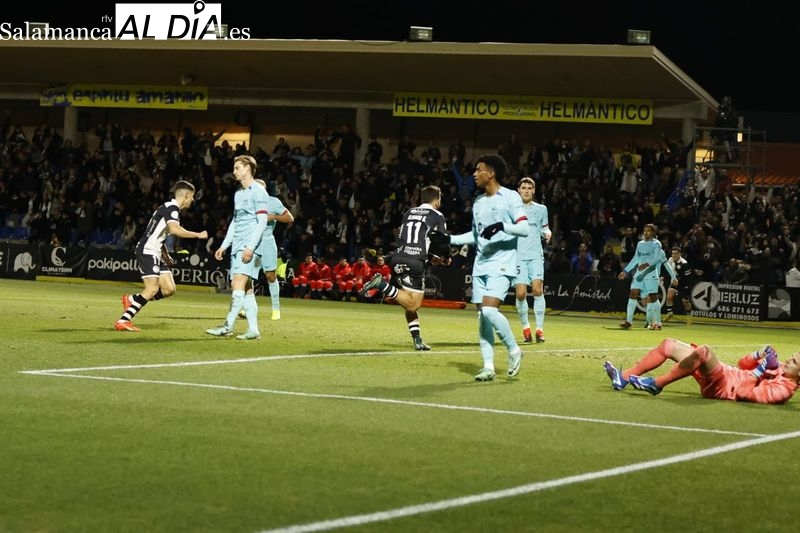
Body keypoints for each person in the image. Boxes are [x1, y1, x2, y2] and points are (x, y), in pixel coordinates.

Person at [426, 155, 529, 381]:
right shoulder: (479, 202)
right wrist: (449, 240)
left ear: (490, 173)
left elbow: (524, 229)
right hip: (480, 266)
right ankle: (489, 366)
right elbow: (475, 235)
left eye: (478, 170)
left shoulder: (511, 197)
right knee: (483, 316)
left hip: (502, 263)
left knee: (491, 311)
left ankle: (514, 349)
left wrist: (502, 226)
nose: (474, 174)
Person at [360, 185, 450, 351]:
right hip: (415, 261)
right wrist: (446, 257)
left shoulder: (409, 212)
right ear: (437, 199)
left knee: (407, 300)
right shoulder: (437, 215)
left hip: (398, 257)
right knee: (413, 305)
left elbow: (411, 239)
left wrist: (431, 258)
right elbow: (442, 241)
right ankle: (382, 285)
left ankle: (417, 339)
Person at [115, 180, 208, 331]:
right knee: (152, 289)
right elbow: (175, 230)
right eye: (192, 197)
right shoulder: (172, 209)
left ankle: (131, 299)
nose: (193, 200)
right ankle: (124, 320)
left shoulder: (167, 207)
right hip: (148, 251)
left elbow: (158, 233)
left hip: (156, 251)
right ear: (186, 195)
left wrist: (164, 253)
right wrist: (197, 235)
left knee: (169, 289)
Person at [603, 339, 800, 404]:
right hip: (725, 372)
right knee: (668, 345)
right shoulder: (782, 369)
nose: (789, 359)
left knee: (703, 352)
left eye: (795, 361)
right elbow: (742, 364)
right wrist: (760, 354)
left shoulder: (783, 390)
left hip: (724, 388)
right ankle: (624, 377)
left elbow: (743, 393)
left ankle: (657, 384)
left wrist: (762, 368)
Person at [205, 155, 271, 340]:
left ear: (247, 168)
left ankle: (227, 326)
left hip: (250, 246)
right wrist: (224, 245)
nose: (234, 171)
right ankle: (253, 330)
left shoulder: (259, 192)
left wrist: (250, 247)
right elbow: (235, 222)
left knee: (237, 284)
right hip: (237, 246)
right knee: (247, 289)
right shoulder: (238, 193)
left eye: (237, 168)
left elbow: (262, 222)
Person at [236, 178, 294, 321]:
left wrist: (273, 216)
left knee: (270, 276)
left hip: (267, 242)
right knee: (246, 276)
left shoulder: (273, 202)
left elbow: (290, 218)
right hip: (251, 243)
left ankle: (276, 309)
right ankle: (248, 308)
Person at [513, 177, 551, 343]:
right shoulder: (512, 209)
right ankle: (526, 327)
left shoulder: (542, 209)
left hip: (536, 255)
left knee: (537, 290)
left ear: (534, 191)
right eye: (524, 188)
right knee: (521, 294)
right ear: (519, 190)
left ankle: (540, 330)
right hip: (518, 256)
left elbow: (545, 228)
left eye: (529, 188)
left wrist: (547, 233)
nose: (526, 190)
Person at [617, 224, 676, 330]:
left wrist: (646, 264)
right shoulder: (640, 243)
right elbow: (635, 258)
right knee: (633, 293)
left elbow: (656, 258)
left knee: (653, 297)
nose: (645, 233)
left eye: (648, 231)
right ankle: (629, 322)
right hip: (639, 273)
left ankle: (658, 323)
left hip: (651, 273)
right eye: (644, 231)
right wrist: (625, 271)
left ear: (653, 233)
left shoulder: (657, 244)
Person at [664, 246, 701, 321]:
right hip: (674, 282)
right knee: (669, 296)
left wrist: (685, 286)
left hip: (684, 284)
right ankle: (670, 313)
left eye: (676, 253)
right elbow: (669, 271)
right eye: (672, 253)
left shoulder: (684, 264)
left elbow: (688, 278)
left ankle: (689, 315)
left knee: (685, 302)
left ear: (680, 254)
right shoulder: (670, 260)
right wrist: (664, 277)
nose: (673, 255)